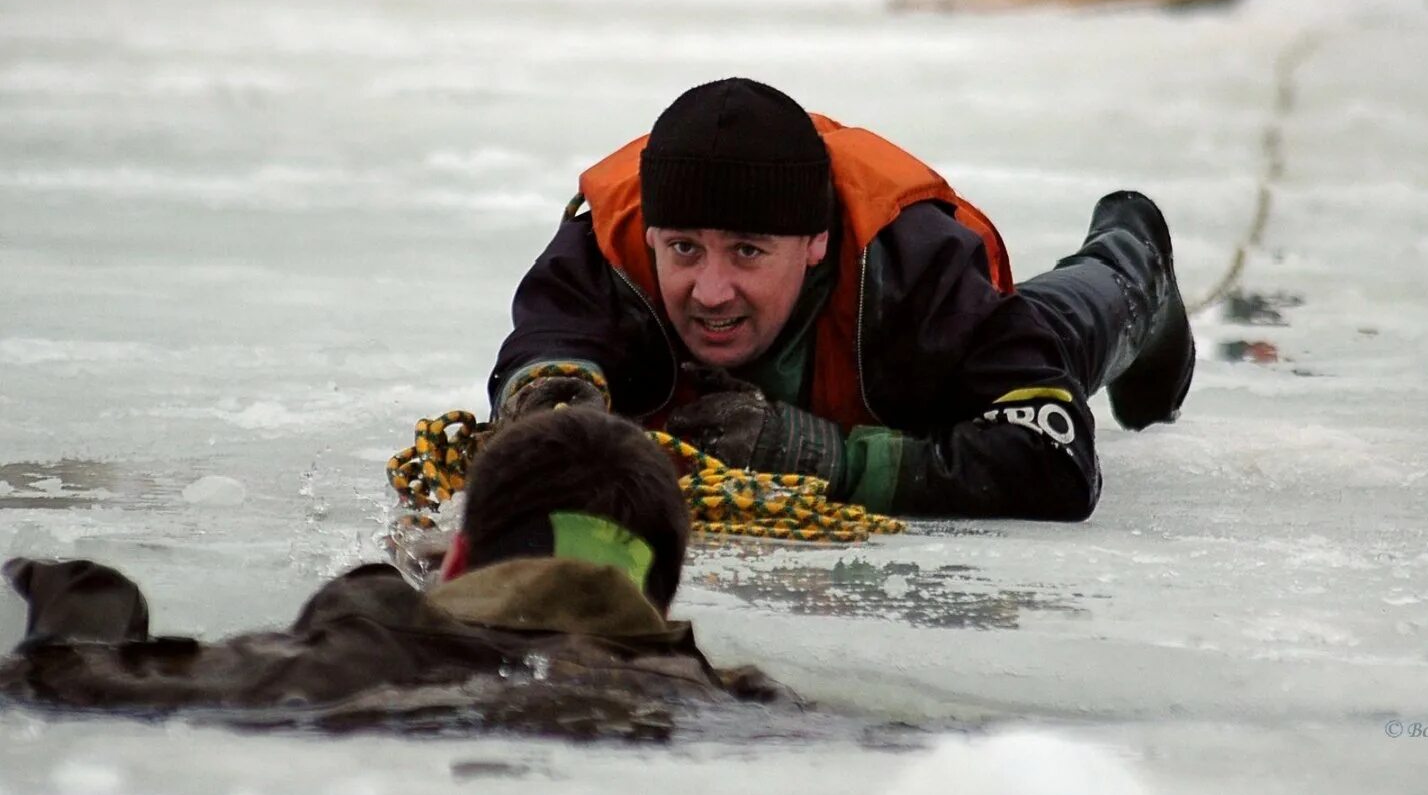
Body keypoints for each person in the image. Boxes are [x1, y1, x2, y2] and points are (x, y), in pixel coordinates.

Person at [490, 78, 1194, 522]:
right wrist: (548, 393)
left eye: (748, 251)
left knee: (1073, 324)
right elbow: (553, 340)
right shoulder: (607, 257)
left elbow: (1054, 463)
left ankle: (1135, 254)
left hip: (945, 361)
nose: (710, 290)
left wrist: (829, 462)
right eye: (683, 249)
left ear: (817, 242)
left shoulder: (919, 272)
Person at [0, 409, 786, 737]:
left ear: (466, 557)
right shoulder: (724, 699)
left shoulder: (364, 649)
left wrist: (79, 604)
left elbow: (62, 685)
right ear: (660, 595)